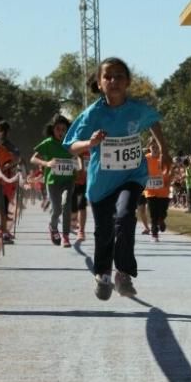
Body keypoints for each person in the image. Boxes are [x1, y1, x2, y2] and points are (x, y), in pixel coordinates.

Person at [64, 57, 168, 300]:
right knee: (104, 231)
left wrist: (164, 150)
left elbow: (153, 122)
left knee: (124, 216)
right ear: (99, 83)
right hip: (101, 184)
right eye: (107, 77)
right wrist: (90, 143)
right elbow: (70, 145)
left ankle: (123, 272)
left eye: (119, 76)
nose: (114, 81)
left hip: (132, 176)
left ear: (128, 81)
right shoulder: (92, 114)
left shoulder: (137, 109)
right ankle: (102, 273)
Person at [31, 114, 76, 247]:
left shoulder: (71, 142)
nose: (61, 132)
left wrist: (79, 165)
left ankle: (66, 236)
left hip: (68, 180)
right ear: (52, 129)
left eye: (63, 129)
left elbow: (78, 155)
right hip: (53, 182)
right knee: (57, 210)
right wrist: (47, 163)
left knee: (67, 206)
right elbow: (33, 159)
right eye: (58, 129)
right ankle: (53, 226)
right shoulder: (48, 143)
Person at [143, 136, 172, 242]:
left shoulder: (163, 158)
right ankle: (154, 234)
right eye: (153, 147)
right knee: (153, 213)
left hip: (163, 191)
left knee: (162, 213)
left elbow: (170, 173)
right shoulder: (145, 159)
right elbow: (141, 172)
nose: (155, 149)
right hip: (150, 191)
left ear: (160, 148)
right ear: (149, 147)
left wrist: (167, 181)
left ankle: (161, 220)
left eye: (157, 147)